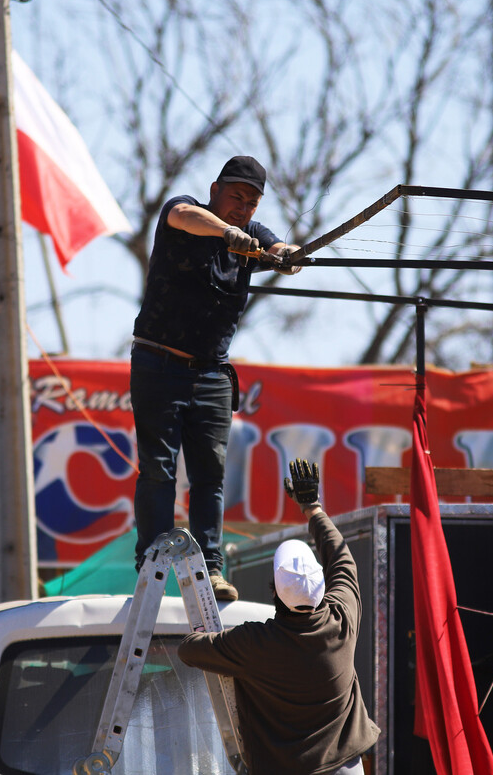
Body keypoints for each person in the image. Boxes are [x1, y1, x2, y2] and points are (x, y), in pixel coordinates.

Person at [131, 155, 300, 601]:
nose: (242, 208)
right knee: (158, 469)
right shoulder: (184, 212)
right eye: (235, 197)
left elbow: (279, 249)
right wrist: (228, 234)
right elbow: (184, 216)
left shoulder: (253, 236)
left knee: (210, 475)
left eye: (251, 202)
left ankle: (208, 568)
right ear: (214, 190)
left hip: (211, 374)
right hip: (158, 365)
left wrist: (285, 256)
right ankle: (153, 562)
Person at [177, 459, 380, 775]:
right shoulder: (340, 621)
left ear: (274, 591)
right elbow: (343, 562)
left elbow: (189, 650)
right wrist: (312, 507)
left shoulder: (255, 643)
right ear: (322, 588)